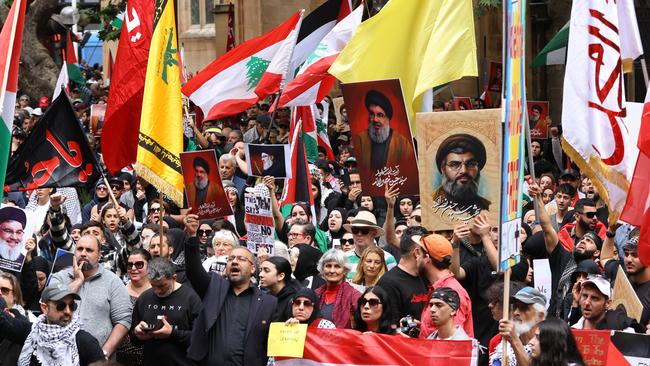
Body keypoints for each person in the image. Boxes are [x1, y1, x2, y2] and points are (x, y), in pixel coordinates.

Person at [184, 213, 278, 366]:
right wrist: (192, 235)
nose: (234, 261)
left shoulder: (268, 303)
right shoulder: (213, 287)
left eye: (241, 259)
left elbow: (274, 342)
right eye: (231, 259)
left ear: (253, 268)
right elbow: (193, 270)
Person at [49, 234, 132, 358]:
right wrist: (77, 282)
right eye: (80, 249)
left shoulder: (113, 282)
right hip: (58, 356)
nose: (83, 253)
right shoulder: (59, 277)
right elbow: (50, 308)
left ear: (99, 255)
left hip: (96, 359)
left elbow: (123, 322)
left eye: (89, 250)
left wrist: (103, 355)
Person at [1, 283, 105, 366]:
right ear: (45, 308)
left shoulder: (85, 341)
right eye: (61, 306)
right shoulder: (31, 332)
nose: (68, 311)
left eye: (72, 305)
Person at [131, 257, 201, 366]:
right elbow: (133, 339)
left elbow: (201, 338)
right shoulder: (144, 298)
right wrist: (137, 334)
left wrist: (172, 333)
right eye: (153, 286)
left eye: (162, 286)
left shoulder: (191, 298)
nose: (157, 291)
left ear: (174, 278)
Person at [417, 234, 474, 339]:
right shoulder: (439, 287)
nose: (416, 257)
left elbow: (452, 341)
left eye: (419, 253)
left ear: (427, 258)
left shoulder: (453, 291)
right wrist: (421, 327)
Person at [353, 90, 414, 181]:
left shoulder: (402, 143)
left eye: (380, 115)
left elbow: (409, 172)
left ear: (387, 119)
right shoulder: (360, 140)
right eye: (371, 114)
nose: (375, 119)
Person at [377, 226, 430, 326]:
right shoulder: (388, 284)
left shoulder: (425, 276)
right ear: (417, 253)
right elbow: (389, 327)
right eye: (426, 252)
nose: (429, 257)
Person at [431, 134, 491, 220]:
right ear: (443, 169)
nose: (464, 171)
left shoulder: (487, 207)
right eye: (455, 165)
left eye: (471, 164)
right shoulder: (431, 204)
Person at [492, 287, 547, 366]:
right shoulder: (501, 341)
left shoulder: (548, 344)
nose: (515, 312)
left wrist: (514, 340)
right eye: (514, 307)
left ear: (540, 315)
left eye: (523, 308)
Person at [570, 274, 644, 332]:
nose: (586, 302)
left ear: (608, 303)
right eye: (585, 296)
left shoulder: (621, 329)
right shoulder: (574, 329)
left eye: (594, 298)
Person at [116, 249, 152, 365]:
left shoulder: (157, 293)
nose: (133, 268)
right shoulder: (118, 291)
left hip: (150, 355)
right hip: (120, 357)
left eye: (139, 264)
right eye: (130, 265)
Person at [314, 248, 361, 328]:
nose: (332, 270)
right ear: (322, 269)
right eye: (328, 266)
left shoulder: (354, 295)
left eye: (337, 266)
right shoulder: (315, 294)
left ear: (345, 270)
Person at [342, 211, 396, 279]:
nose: (359, 234)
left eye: (364, 231)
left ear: (374, 233)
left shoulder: (387, 259)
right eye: (355, 230)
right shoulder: (344, 258)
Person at [259, 256, 301, 322]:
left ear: (281, 276)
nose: (260, 275)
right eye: (260, 270)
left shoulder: (294, 300)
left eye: (266, 271)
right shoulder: (266, 297)